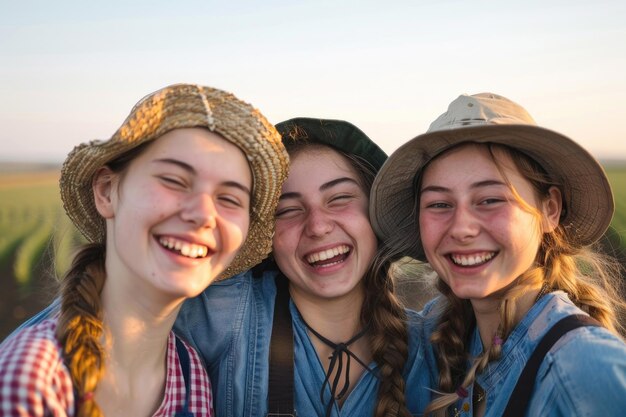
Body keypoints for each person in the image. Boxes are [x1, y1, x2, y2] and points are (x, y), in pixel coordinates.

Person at [0, 83, 288, 417]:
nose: (204, 214)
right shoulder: (31, 380)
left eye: (229, 199)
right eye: (174, 180)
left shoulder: (190, 374)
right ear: (106, 191)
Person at [370, 92, 626, 416]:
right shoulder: (444, 337)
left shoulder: (583, 370)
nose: (461, 228)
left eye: (490, 200)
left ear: (550, 209)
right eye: (439, 204)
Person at [174, 118, 434, 417]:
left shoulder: (432, 346)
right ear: (265, 236)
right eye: (288, 210)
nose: (318, 226)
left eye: (339, 199)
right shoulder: (222, 315)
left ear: (375, 215)